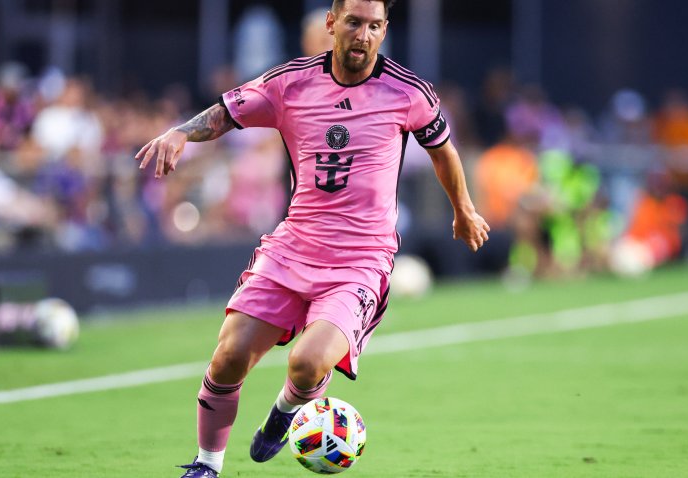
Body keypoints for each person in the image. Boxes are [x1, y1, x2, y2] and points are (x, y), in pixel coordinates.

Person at [136, 1, 489, 476]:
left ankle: (284, 412)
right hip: (293, 246)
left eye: (374, 26)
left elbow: (443, 151)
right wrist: (180, 133)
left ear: (385, 31)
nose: (363, 35)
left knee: (307, 363)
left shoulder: (409, 93)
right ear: (331, 24)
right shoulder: (291, 82)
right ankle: (206, 465)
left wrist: (464, 209)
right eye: (354, 23)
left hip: (361, 260)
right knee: (228, 357)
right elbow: (225, 112)